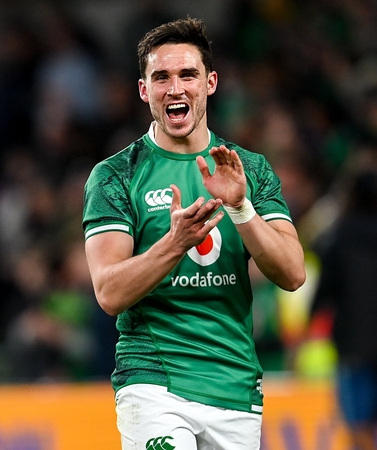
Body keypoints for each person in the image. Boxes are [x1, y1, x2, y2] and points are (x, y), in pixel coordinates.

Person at [82, 17, 305, 449]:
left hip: (234, 385)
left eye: (188, 75)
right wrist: (175, 243)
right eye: (161, 77)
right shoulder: (115, 175)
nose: (175, 88)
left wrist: (241, 208)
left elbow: (293, 273)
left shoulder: (249, 170)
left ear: (210, 83)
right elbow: (108, 292)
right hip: (154, 382)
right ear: (144, 90)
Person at [310, 168, 377, 450]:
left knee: (357, 425)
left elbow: (324, 290)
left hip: (354, 346)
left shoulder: (341, 238)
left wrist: (311, 319)